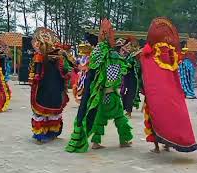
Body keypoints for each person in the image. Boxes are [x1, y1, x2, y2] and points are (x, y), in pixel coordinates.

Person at [66, 19, 133, 153]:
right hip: (110, 93)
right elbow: (114, 74)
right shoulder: (110, 54)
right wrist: (126, 63)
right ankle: (124, 140)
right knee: (120, 117)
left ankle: (96, 142)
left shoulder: (97, 51)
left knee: (100, 117)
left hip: (98, 94)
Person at [140, 17, 197, 153]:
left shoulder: (150, 53)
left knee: (154, 116)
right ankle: (168, 143)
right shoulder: (172, 53)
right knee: (173, 115)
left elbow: (146, 72)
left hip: (155, 93)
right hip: (172, 92)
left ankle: (156, 146)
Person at [29, 27, 71, 144]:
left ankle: (43, 134)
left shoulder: (44, 56)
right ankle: (48, 133)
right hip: (52, 87)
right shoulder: (58, 56)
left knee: (46, 110)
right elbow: (66, 71)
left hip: (46, 87)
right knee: (51, 110)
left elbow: (36, 75)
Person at [119, 36, 142, 118]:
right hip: (126, 77)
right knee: (123, 93)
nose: (128, 47)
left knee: (130, 94)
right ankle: (126, 109)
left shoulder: (136, 56)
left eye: (130, 46)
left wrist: (127, 65)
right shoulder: (129, 55)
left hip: (133, 78)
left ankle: (129, 112)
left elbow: (136, 67)